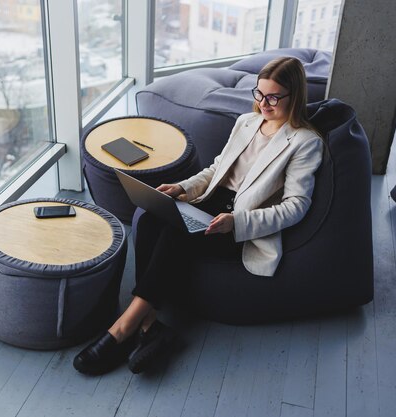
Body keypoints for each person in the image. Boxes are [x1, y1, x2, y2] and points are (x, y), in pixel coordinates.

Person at [73, 56, 324, 376]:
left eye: (273, 97)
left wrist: (238, 223)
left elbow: (296, 207)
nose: (263, 103)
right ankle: (149, 324)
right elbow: (216, 169)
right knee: (150, 217)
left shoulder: (305, 142)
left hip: (239, 223)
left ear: (295, 96)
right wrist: (182, 188)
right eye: (258, 94)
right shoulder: (247, 122)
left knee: (178, 230)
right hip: (212, 202)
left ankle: (123, 328)